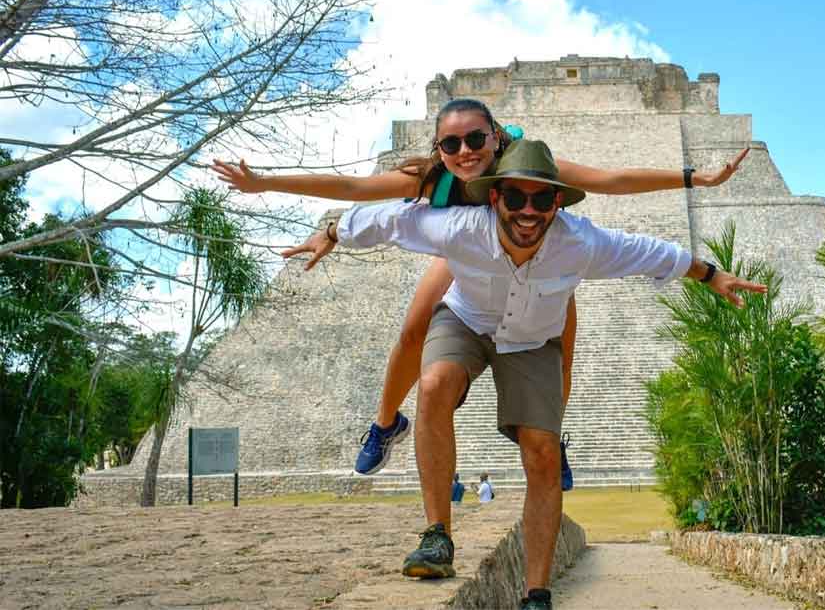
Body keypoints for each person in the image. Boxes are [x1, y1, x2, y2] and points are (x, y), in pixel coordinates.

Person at [286, 138, 766, 610]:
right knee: (432, 384)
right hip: (467, 321)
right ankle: (437, 537)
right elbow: (387, 219)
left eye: (541, 198)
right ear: (494, 198)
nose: (528, 211)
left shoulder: (580, 242)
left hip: (534, 339)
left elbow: (650, 251)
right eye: (515, 197)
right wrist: (329, 233)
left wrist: (711, 274)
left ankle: (536, 593)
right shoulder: (460, 227)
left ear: (558, 201)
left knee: (541, 454)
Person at [213, 98, 750, 489]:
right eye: (451, 144)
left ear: (497, 137)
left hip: (533, 254)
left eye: (475, 140)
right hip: (462, 246)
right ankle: (385, 423)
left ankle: (552, 437)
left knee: (559, 340)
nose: (465, 152)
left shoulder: (532, 168)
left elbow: (609, 179)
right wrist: (271, 187)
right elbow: (355, 191)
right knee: (415, 326)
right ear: (439, 149)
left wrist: (692, 178)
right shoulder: (431, 181)